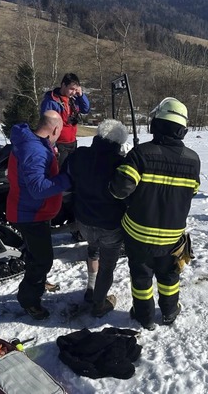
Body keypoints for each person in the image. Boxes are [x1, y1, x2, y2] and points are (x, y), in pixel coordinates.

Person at [110, 97, 201, 331]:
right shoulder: (193, 160)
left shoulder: (140, 154)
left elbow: (119, 190)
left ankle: (144, 316)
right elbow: (193, 191)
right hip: (173, 237)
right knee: (169, 276)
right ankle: (170, 312)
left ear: (156, 125)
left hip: (138, 234)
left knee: (141, 278)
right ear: (183, 130)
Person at [6, 110, 72, 320]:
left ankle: (38, 281)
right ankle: (29, 300)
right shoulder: (34, 150)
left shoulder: (37, 143)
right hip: (30, 214)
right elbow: (38, 189)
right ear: (54, 129)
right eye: (59, 131)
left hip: (32, 210)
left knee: (36, 255)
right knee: (43, 260)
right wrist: (67, 179)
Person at [64, 119, 129, 318]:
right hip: (110, 225)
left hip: (83, 222)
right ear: (119, 143)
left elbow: (67, 182)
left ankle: (90, 289)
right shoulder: (121, 165)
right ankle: (99, 304)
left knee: (92, 249)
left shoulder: (79, 156)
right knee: (108, 264)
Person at [39, 73, 90, 167]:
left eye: (76, 89)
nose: (73, 92)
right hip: (59, 144)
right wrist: (52, 146)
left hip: (72, 142)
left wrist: (81, 95)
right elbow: (45, 125)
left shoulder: (74, 99)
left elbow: (86, 109)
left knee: (72, 171)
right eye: (71, 89)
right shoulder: (51, 101)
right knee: (61, 172)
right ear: (63, 85)